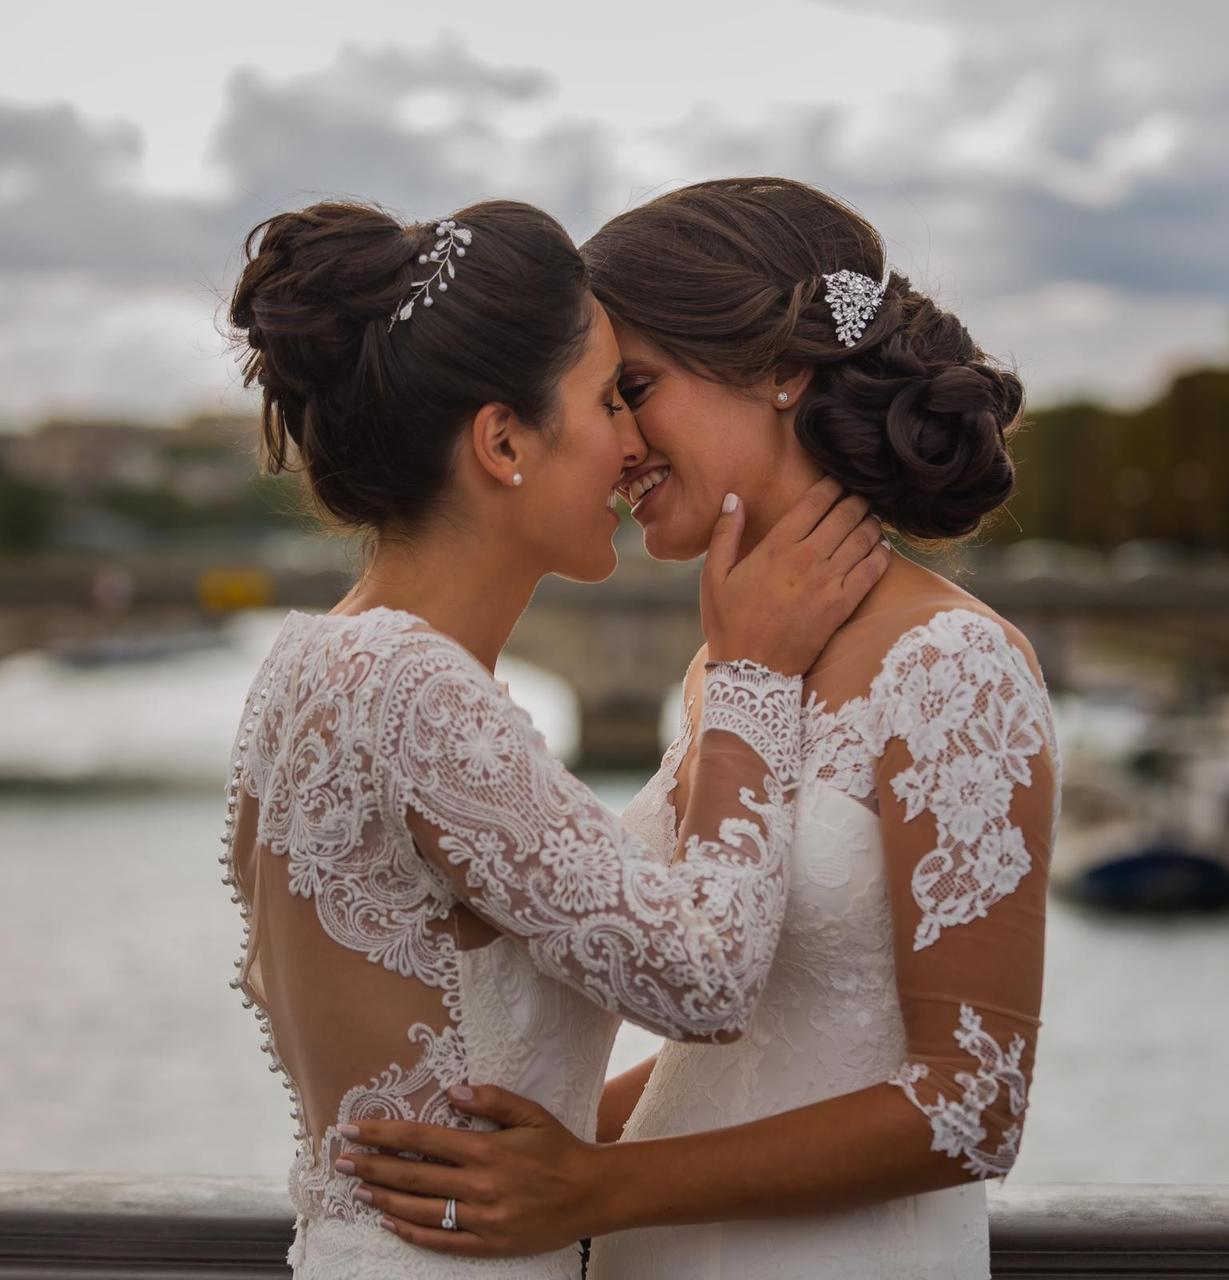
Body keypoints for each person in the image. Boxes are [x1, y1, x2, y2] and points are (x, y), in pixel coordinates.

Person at [332, 178, 1060, 1280]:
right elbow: (739, 1043)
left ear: (779, 371)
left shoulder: (950, 665)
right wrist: (523, 1150)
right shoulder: (727, 660)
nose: (616, 440)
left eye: (633, 387)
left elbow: (972, 1103)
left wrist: (591, 1184)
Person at [220, 195, 890, 1279]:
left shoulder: (316, 662)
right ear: (502, 441)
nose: (633, 446)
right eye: (604, 401)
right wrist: (752, 678)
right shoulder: (410, 688)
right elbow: (703, 982)